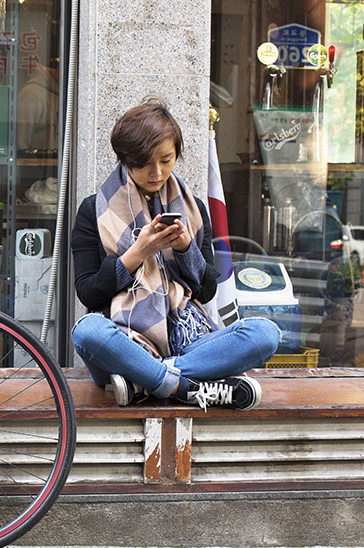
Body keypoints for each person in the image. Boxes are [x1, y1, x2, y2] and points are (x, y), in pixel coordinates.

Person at [70, 99, 281, 410]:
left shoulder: (193, 209)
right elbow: (88, 293)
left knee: (265, 333)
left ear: (177, 155)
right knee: (87, 332)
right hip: (124, 342)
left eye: (166, 160)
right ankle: (187, 387)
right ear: (125, 160)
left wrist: (185, 249)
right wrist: (137, 253)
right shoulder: (93, 210)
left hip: (190, 341)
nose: (156, 172)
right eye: (143, 163)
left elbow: (207, 290)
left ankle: (148, 382)